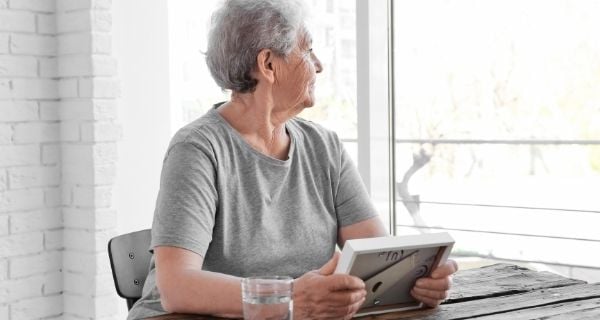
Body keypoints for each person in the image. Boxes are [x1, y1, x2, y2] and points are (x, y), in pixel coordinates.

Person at [128, 0, 457, 319]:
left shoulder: (324, 146)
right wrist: (288, 298)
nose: (318, 65)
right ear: (268, 64)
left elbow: (378, 255)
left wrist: (417, 279)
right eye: (307, 49)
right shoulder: (197, 149)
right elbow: (177, 287)